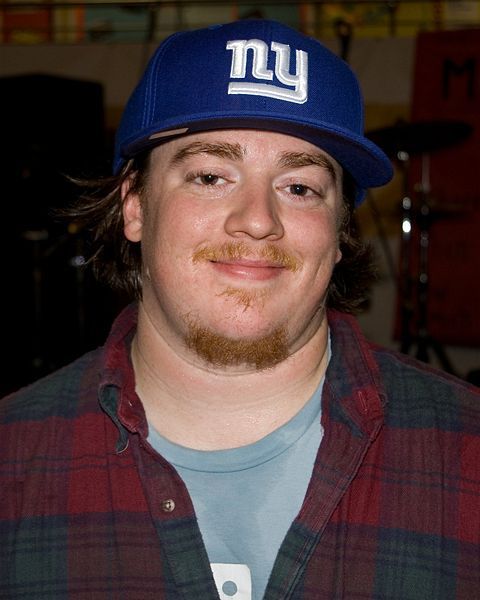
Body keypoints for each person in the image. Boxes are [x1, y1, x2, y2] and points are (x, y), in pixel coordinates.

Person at [1, 19, 479, 599]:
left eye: (299, 187)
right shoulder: (13, 460)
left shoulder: (467, 454)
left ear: (338, 232)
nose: (257, 220)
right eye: (210, 176)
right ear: (135, 206)